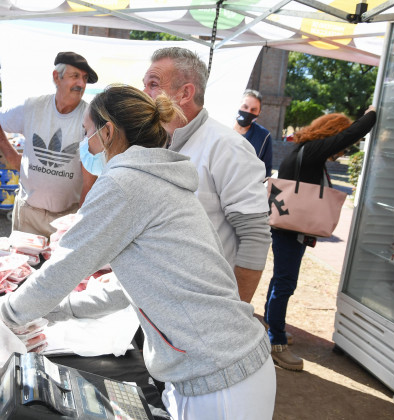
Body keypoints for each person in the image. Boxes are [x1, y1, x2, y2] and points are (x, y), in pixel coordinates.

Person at [0, 85, 275, 419]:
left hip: (218, 376)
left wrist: (3, 316)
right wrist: (60, 310)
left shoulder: (125, 183)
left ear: (109, 131)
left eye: (87, 132)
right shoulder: (156, 177)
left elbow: (65, 266)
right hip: (222, 366)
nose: (84, 144)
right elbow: (132, 285)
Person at [142, 47, 271, 304]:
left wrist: (234, 309)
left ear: (185, 93)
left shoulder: (227, 147)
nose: (144, 94)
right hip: (159, 302)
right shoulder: (154, 142)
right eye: (144, 85)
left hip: (205, 306)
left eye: (153, 85)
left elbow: (255, 236)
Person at [265, 106, 376, 371]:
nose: (342, 151)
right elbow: (350, 135)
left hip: (288, 227)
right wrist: (370, 115)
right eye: (339, 143)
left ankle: (272, 328)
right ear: (332, 133)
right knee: (285, 284)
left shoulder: (304, 149)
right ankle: (275, 343)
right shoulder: (314, 151)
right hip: (291, 230)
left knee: (280, 281)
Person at [0, 51, 98, 237]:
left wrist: (80, 221)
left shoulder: (90, 117)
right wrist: (12, 156)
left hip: (67, 218)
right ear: (56, 77)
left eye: (84, 78)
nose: (81, 84)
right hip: (28, 215)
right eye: (75, 76)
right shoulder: (33, 107)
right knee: (22, 266)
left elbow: (89, 180)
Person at [234, 89, 272, 177]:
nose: (248, 112)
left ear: (259, 113)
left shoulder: (264, 136)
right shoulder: (223, 128)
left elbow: (266, 170)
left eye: (253, 110)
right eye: (245, 107)